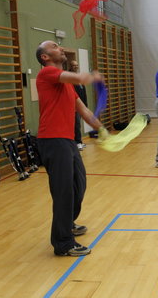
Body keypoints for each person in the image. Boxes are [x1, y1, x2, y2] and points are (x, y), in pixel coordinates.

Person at [36, 41, 103, 257]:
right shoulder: (47, 73)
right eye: (55, 46)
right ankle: (63, 242)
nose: (61, 48)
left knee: (78, 183)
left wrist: (103, 130)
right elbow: (81, 78)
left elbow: (83, 110)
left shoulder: (65, 84)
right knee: (63, 190)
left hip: (67, 140)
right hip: (52, 140)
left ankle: (67, 223)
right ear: (45, 56)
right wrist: (93, 76)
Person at [68, 60, 88, 150]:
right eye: (73, 65)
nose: (75, 67)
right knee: (76, 124)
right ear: (70, 67)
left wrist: (85, 105)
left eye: (77, 65)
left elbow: (83, 92)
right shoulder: (69, 78)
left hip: (81, 106)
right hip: (74, 107)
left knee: (78, 124)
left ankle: (79, 141)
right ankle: (77, 142)